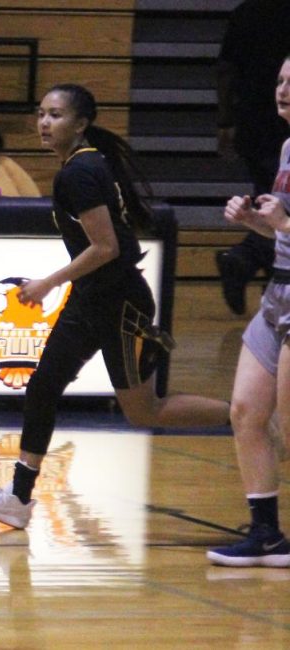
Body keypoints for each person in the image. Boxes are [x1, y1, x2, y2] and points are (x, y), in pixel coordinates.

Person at [0, 84, 231, 530]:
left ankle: (245, 415)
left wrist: (46, 284)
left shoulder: (79, 174)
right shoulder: (86, 164)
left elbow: (105, 247)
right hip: (92, 298)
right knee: (43, 387)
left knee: (144, 411)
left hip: (119, 304)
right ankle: (18, 498)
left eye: (57, 115)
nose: (45, 122)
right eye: (41, 113)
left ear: (81, 123)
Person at [206, 55, 290, 568]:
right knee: (245, 411)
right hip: (278, 293)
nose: (283, 89)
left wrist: (283, 223)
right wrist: (255, 223)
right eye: (280, 79)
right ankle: (266, 533)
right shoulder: (286, 146)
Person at [214, 0, 289, 315]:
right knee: (277, 206)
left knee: (278, 207)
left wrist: (225, 121)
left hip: (254, 123)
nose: (282, 88)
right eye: (280, 83)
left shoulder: (248, 12)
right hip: (265, 125)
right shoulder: (249, 12)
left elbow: (226, 72)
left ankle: (247, 260)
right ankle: (251, 263)